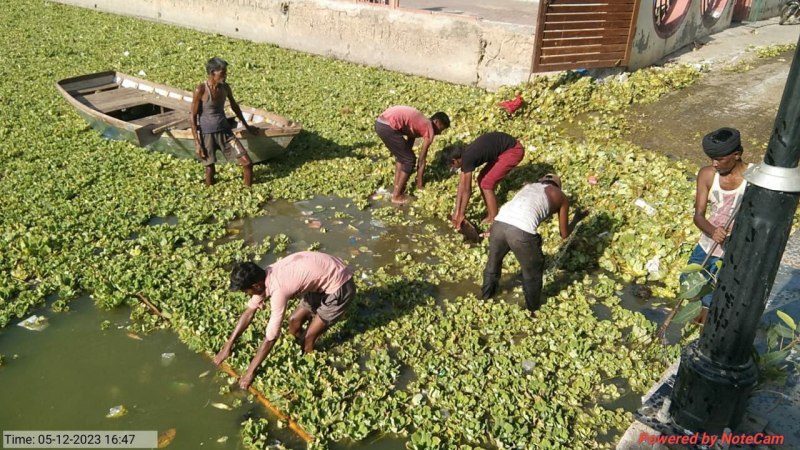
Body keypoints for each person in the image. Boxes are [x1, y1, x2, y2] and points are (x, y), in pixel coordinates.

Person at [213, 251, 356, 389]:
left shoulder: (279, 290)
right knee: (294, 322)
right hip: (323, 277)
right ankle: (306, 340)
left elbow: (271, 337)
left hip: (340, 284)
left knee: (308, 338)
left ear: (256, 285)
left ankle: (310, 361)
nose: (246, 294)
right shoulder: (265, 275)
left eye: (246, 291)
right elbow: (248, 313)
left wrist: (250, 372)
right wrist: (228, 346)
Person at [482, 174, 584, 312]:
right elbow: (564, 234)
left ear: (541, 181)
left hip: (498, 224)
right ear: (558, 186)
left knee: (493, 263)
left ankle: (485, 299)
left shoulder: (528, 186)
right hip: (521, 231)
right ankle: (533, 311)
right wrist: (576, 219)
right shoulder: (560, 195)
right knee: (533, 272)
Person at [682, 127, 748, 322]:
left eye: (719, 159)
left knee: (714, 296)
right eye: (712, 159)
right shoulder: (707, 175)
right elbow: (698, 216)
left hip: (732, 251)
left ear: (737, 154)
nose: (714, 163)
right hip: (707, 245)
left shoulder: (754, 178)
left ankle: (706, 325)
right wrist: (712, 232)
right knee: (688, 283)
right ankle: (695, 318)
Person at [190, 57, 257, 187]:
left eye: (226, 72)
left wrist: (247, 127)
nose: (225, 75)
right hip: (207, 134)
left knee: (247, 163)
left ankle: (248, 190)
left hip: (226, 133)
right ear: (212, 73)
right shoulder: (201, 90)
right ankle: (209, 190)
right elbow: (192, 116)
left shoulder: (225, 87)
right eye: (222, 73)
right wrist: (197, 143)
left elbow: (235, 107)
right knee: (210, 169)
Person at [442, 131, 525, 228]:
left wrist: (461, 213)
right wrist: (457, 211)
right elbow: (462, 185)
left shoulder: (468, 158)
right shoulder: (465, 155)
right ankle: (490, 213)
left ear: (454, 161)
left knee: (487, 184)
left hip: (513, 150)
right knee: (481, 178)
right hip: (504, 149)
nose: (453, 168)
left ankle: (494, 219)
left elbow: (467, 190)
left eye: (452, 166)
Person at [374, 106, 450, 204]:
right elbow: (421, 160)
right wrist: (420, 185)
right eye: (441, 128)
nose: (439, 133)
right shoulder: (429, 128)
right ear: (436, 122)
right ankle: (396, 196)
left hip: (380, 123)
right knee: (409, 160)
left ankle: (397, 186)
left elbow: (407, 149)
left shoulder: (419, 123)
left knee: (403, 157)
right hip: (388, 126)